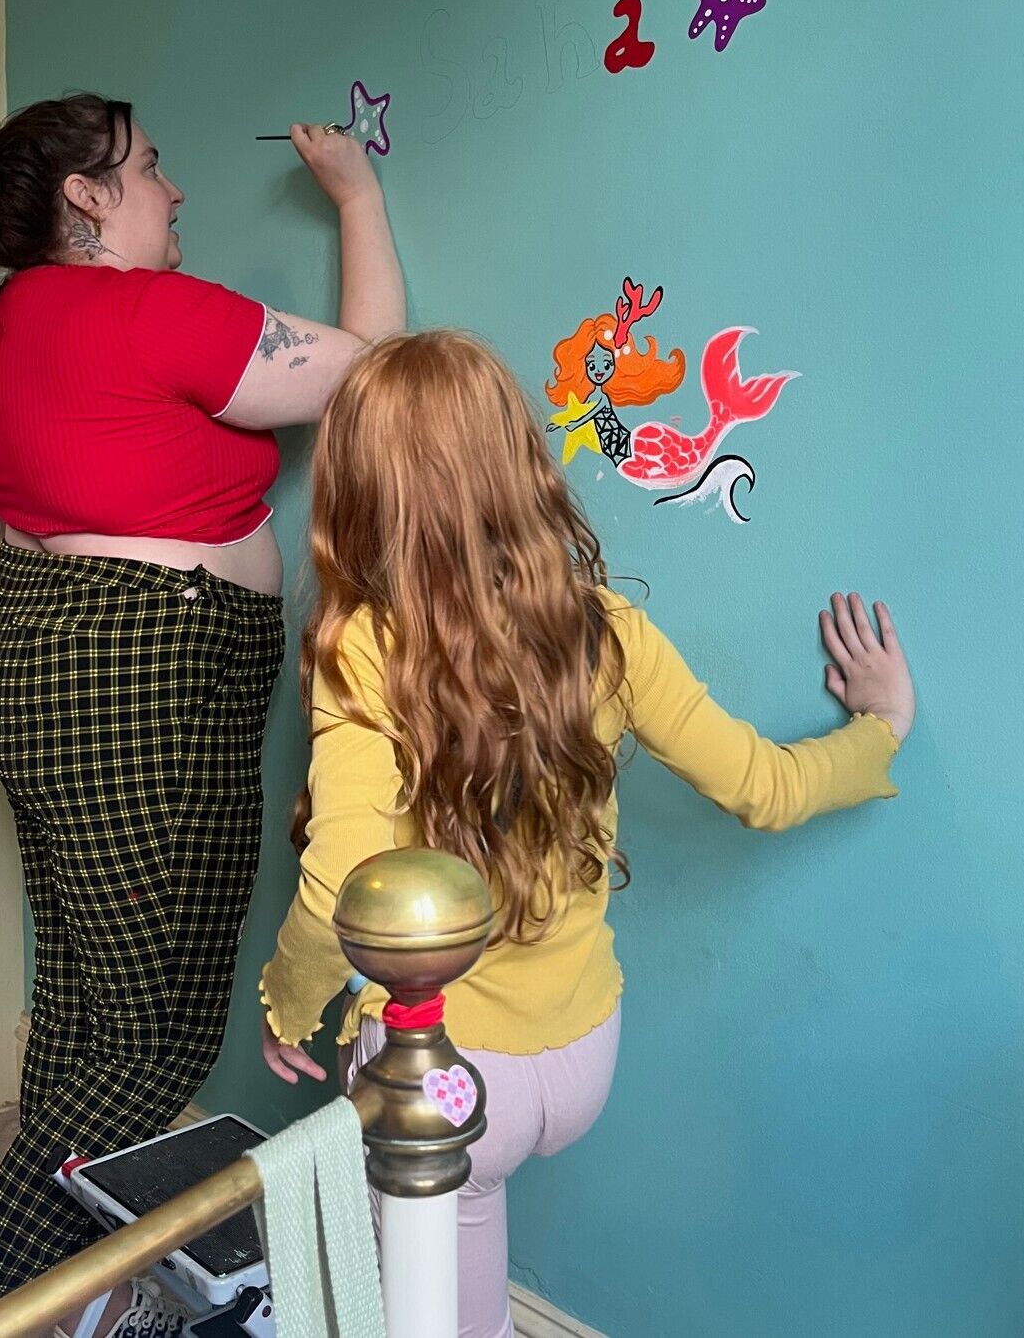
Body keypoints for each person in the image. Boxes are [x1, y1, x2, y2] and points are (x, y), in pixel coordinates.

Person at [258, 331, 914, 1338]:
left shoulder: (363, 646)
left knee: (423, 1291)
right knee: (464, 1243)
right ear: (517, 460)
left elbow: (338, 879)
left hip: (450, 1080)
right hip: (582, 1054)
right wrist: (882, 731)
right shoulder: (606, 629)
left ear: (361, 488)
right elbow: (764, 786)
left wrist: (289, 1003)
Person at [0, 93, 404, 1333]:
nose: (174, 193)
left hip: (26, 655)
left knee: (79, 997)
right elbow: (379, 375)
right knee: (151, 1029)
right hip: (143, 683)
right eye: (153, 168)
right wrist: (358, 198)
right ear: (88, 197)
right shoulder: (145, 309)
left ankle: (80, 1283)